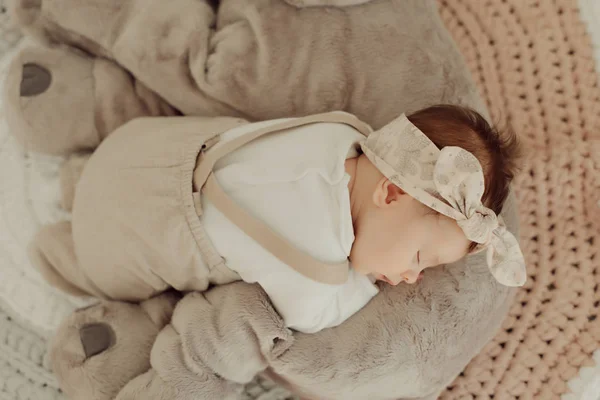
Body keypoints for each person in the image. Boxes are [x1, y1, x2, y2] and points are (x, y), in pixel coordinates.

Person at [29, 104, 526, 334]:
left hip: (138, 145)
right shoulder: (316, 248)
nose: (412, 279)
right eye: (420, 258)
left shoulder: (339, 131)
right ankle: (62, 257)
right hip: (132, 232)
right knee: (98, 268)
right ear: (390, 193)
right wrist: (362, 287)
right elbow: (309, 315)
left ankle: (78, 174)